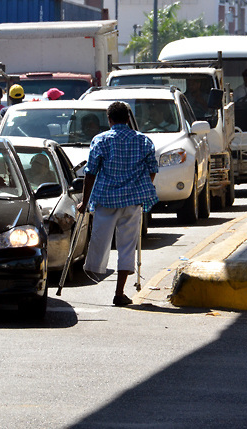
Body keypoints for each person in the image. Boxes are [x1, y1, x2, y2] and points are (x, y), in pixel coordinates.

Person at [77, 101, 158, 307]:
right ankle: (119, 292)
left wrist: (85, 202)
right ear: (128, 119)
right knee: (127, 245)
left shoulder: (101, 140)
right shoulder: (143, 141)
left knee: (99, 238)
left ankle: (94, 272)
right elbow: (153, 168)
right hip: (132, 201)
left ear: (109, 119)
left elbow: (90, 173)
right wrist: (141, 188)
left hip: (106, 199)